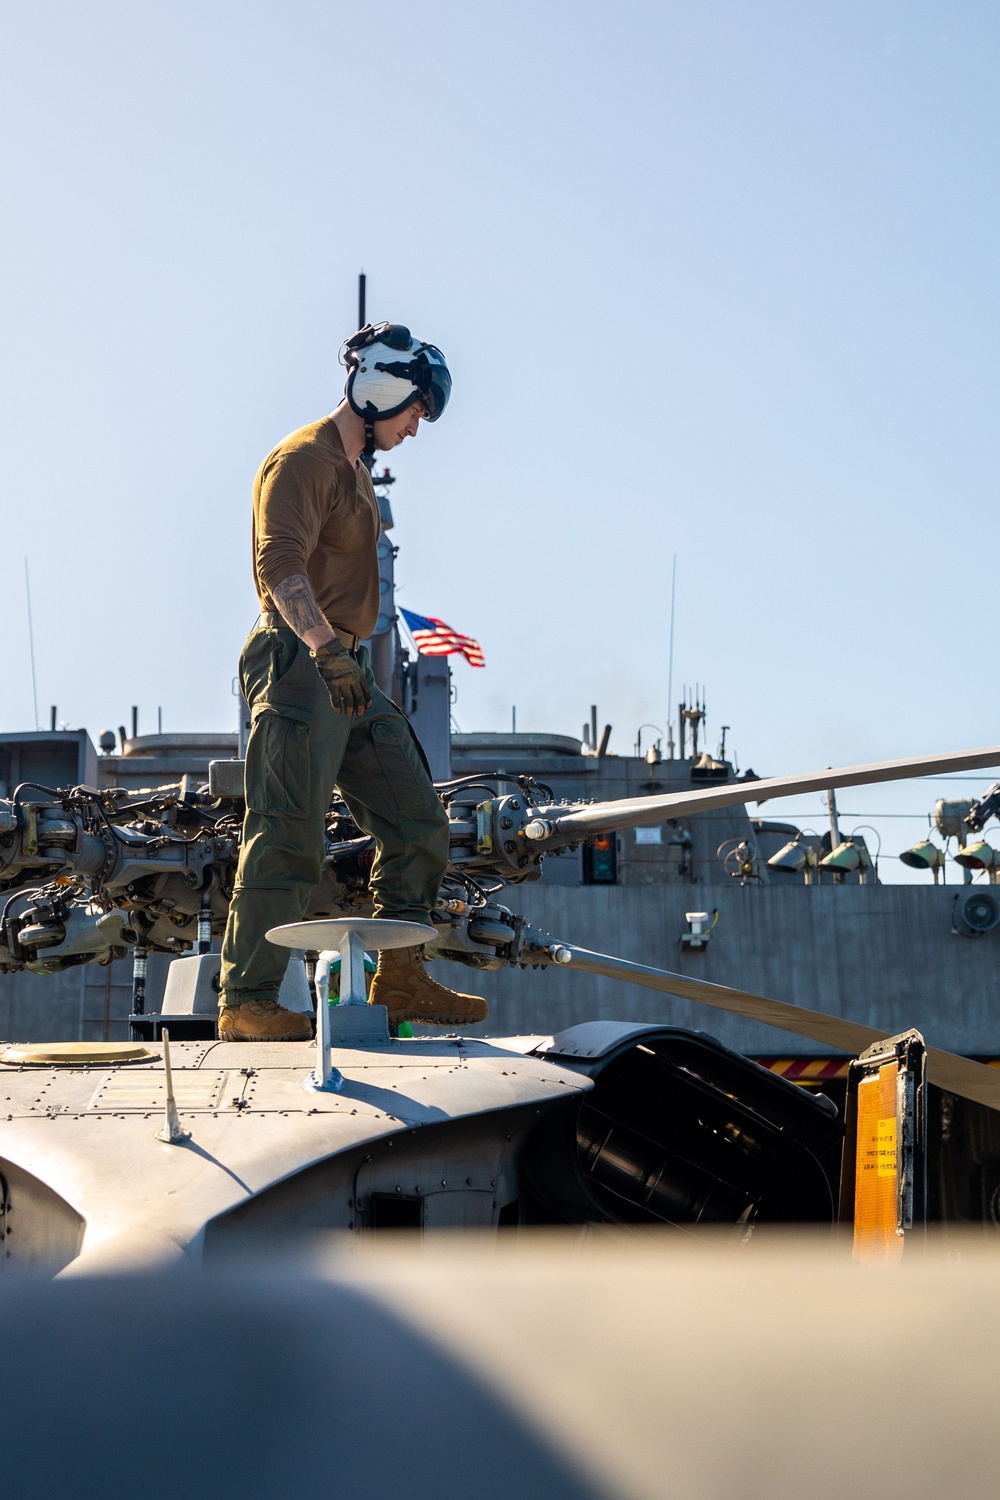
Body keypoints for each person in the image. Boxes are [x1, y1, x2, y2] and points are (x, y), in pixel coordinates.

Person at [217, 323, 488, 1040]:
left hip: (346, 667)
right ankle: (246, 1000)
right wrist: (324, 652)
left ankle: (398, 976)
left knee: (416, 818)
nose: (415, 429)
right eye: (415, 413)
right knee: (288, 833)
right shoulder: (303, 462)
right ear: (384, 389)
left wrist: (346, 661)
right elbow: (281, 566)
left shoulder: (355, 474)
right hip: (300, 658)